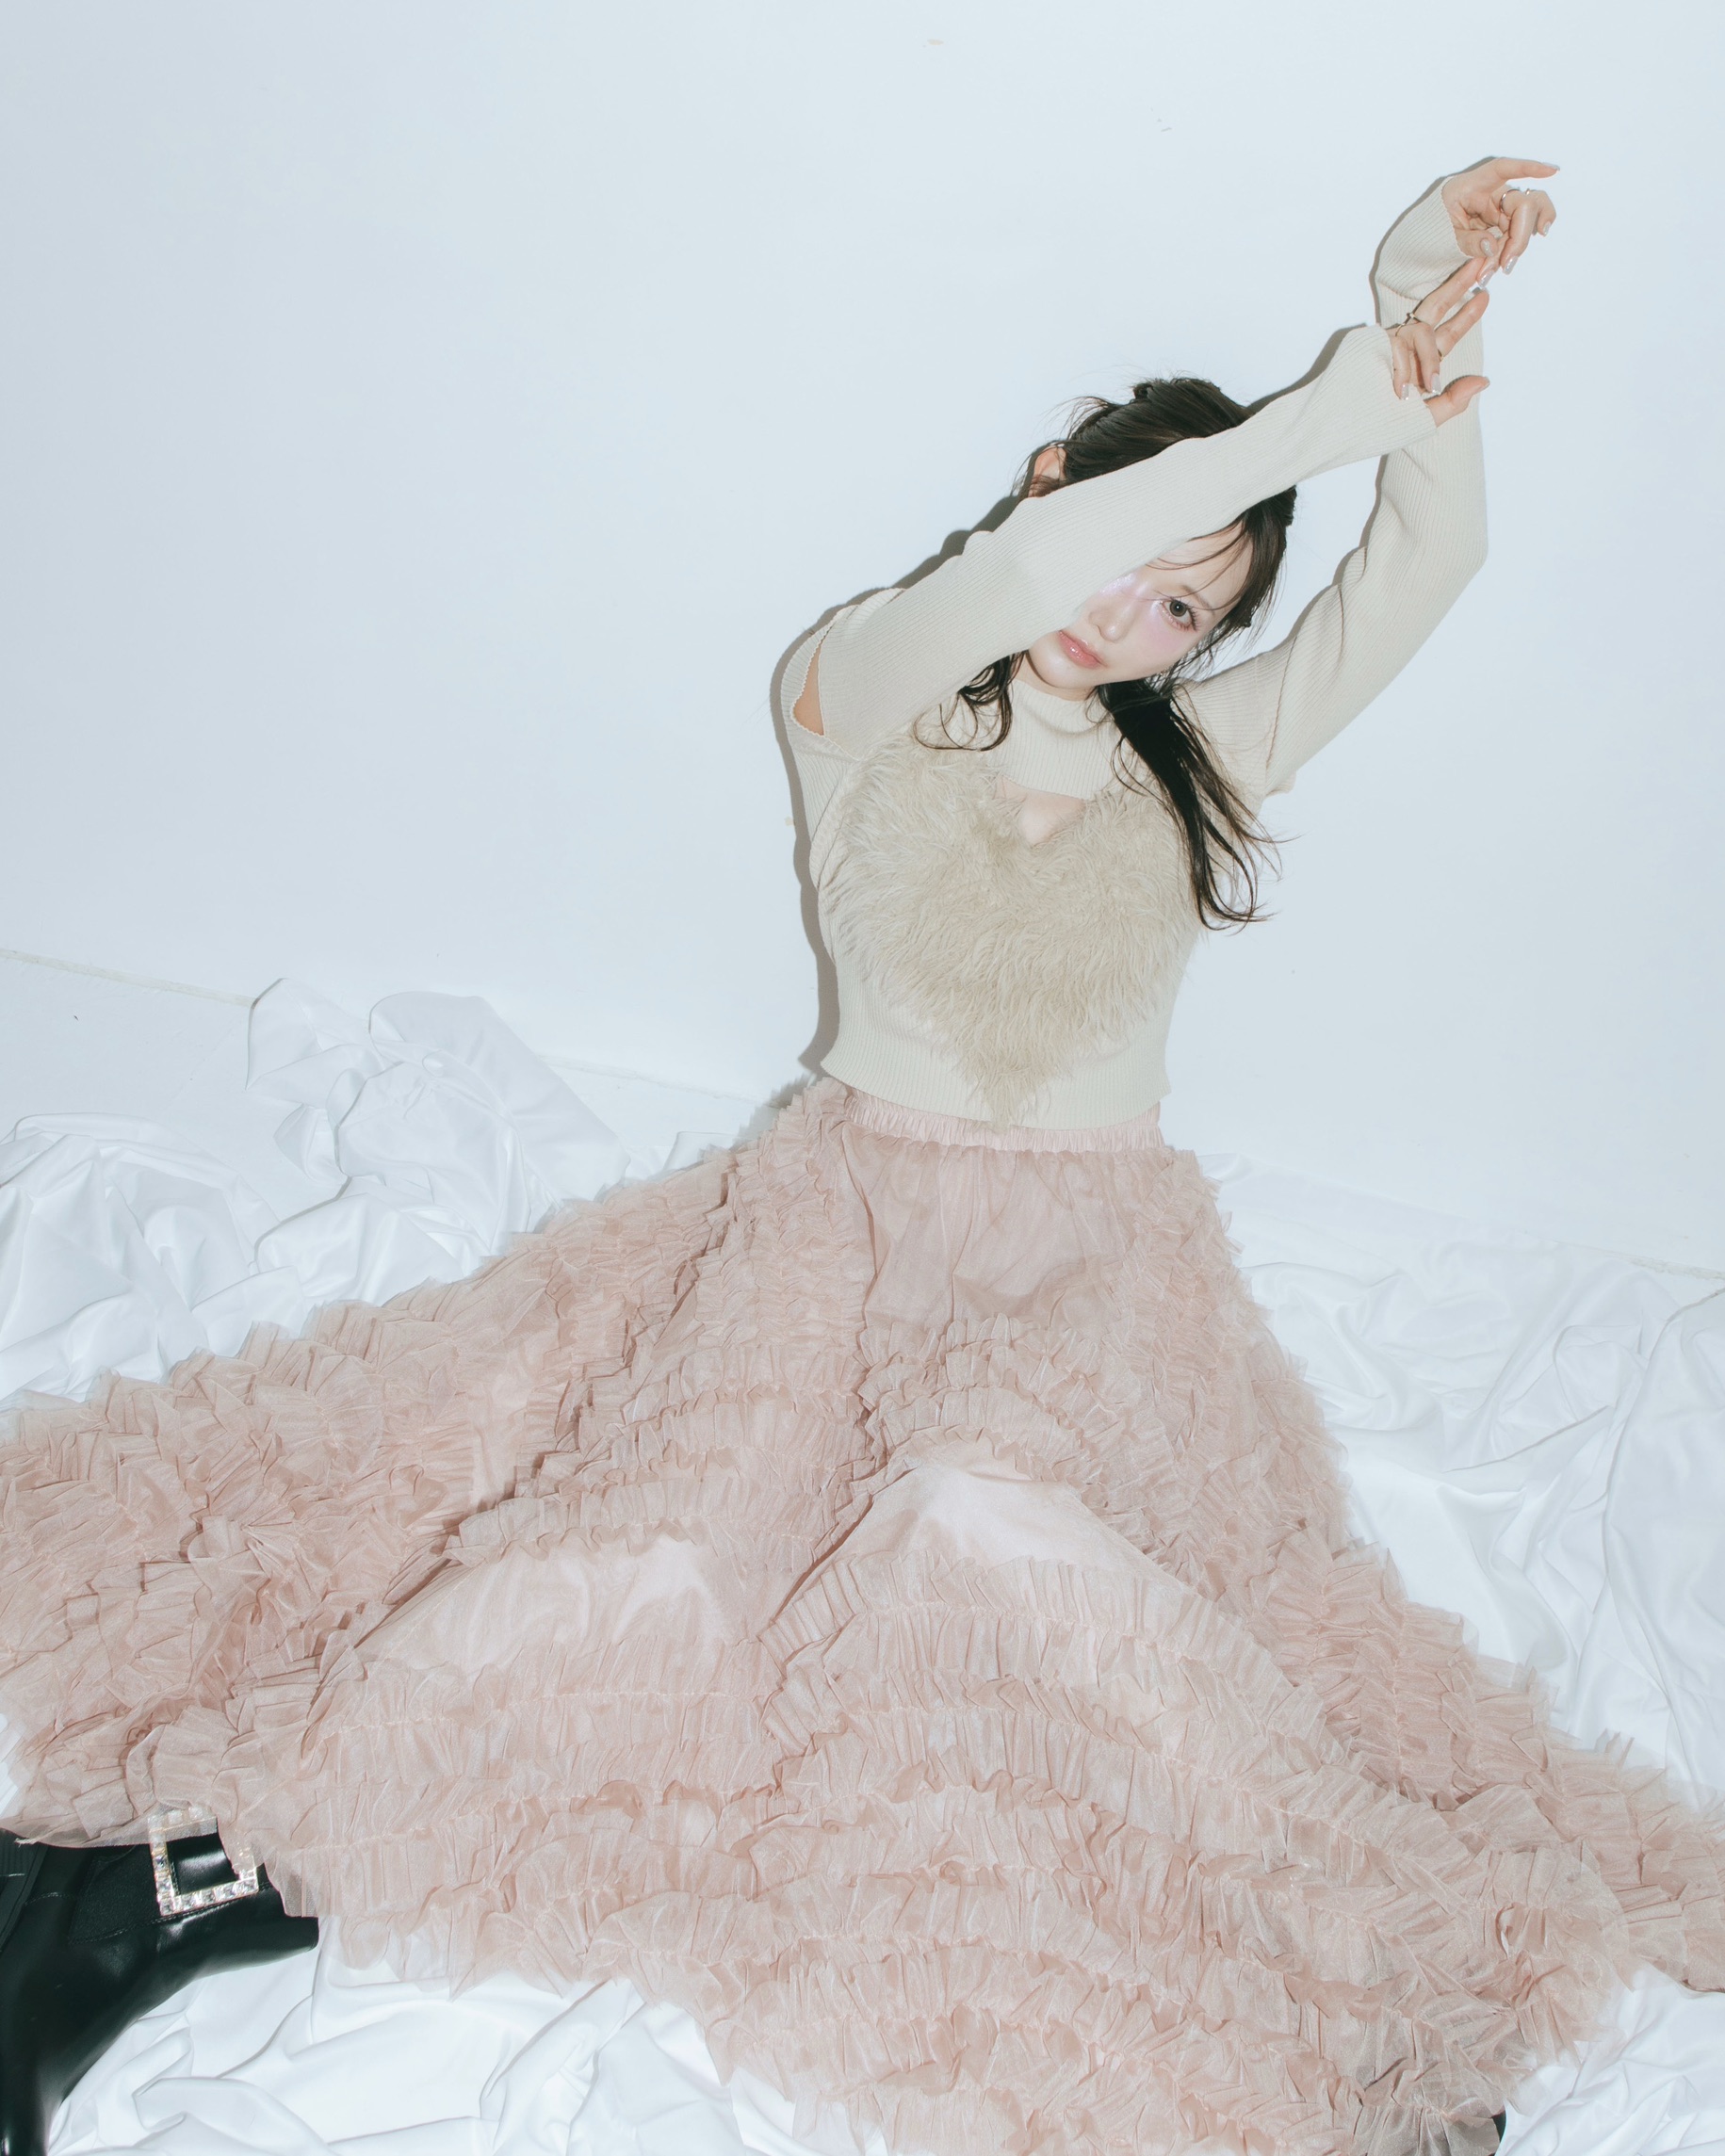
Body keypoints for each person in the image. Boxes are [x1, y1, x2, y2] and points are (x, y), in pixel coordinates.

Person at [0, 155, 1718, 2156]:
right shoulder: (865, 692)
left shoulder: (1201, 766)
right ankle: (126, 1894)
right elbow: (1026, 574)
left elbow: (1433, 561)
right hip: (835, 1240)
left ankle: (1344, 1995)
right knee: (628, 1579)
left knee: (1005, 1550)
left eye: (1188, 610)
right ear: (1055, 483)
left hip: (1094, 1281)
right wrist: (1317, 415)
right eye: (1135, 557)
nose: (1134, 619)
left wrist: (1428, 309)